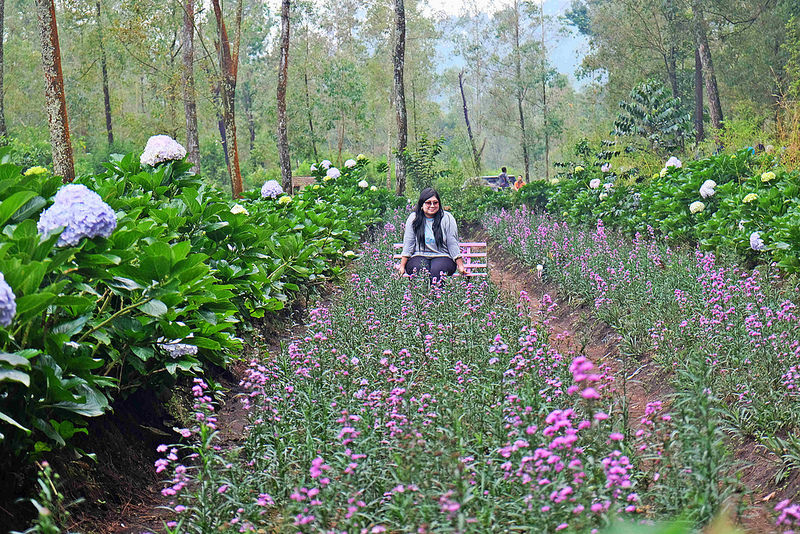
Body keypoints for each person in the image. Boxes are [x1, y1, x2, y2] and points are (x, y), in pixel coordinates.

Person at [397, 188, 467, 281]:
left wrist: (460, 265)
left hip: (442, 256)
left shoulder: (447, 218)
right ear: (422, 204)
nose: (432, 205)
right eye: (428, 203)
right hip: (419, 255)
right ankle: (420, 295)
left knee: (437, 271)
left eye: (435, 202)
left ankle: (437, 295)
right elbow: (409, 244)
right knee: (419, 270)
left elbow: (452, 243)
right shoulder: (413, 218)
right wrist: (402, 266)